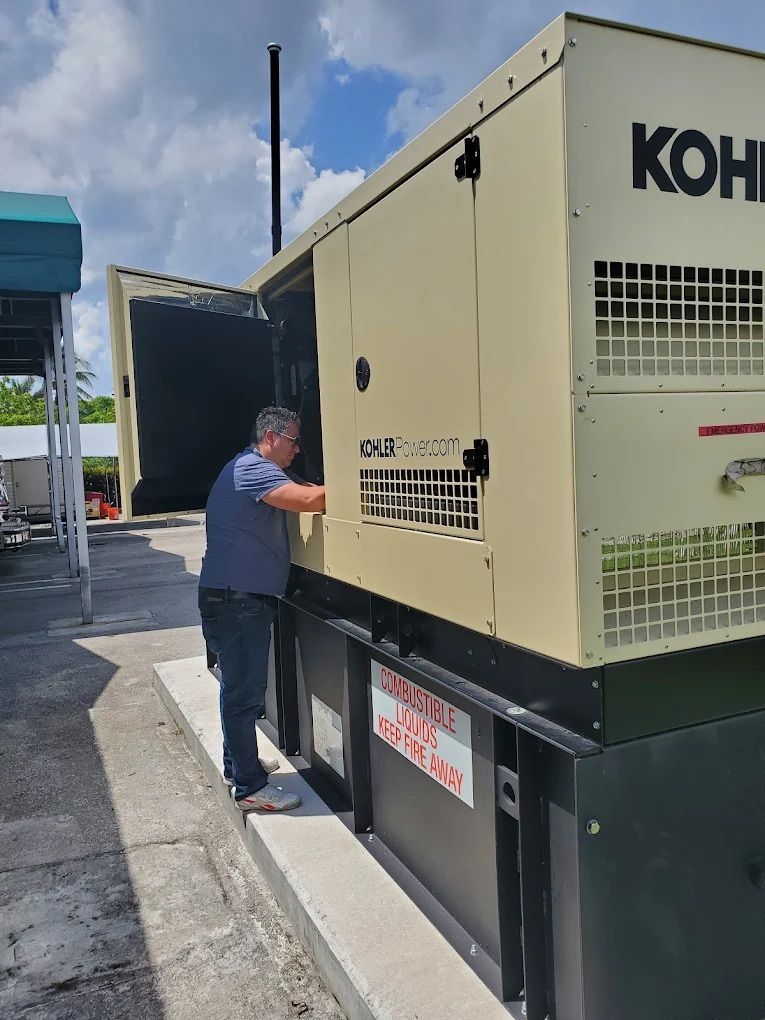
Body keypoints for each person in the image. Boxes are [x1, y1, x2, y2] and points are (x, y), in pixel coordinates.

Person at [198, 406, 326, 811]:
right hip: (237, 600)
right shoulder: (252, 469)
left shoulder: (252, 467)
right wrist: (364, 481)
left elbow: (304, 486)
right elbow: (309, 499)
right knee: (243, 693)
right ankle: (251, 789)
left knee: (238, 689)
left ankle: (240, 765)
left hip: (232, 596)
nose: (297, 449)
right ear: (270, 438)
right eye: (293, 440)